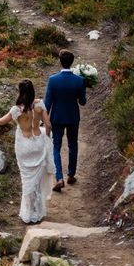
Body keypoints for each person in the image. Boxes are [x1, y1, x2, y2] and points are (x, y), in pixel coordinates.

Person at [0, 78, 54, 223]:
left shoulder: (17, 109)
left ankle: (28, 214)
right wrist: (47, 139)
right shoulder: (39, 104)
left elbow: (0, 121)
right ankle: (37, 211)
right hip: (38, 143)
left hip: (24, 146)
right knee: (36, 180)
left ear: (20, 92)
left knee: (26, 179)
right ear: (32, 90)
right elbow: (48, 124)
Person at [44, 49, 86, 191]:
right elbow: (83, 102)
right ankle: (71, 174)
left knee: (56, 146)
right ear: (72, 63)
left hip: (57, 117)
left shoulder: (53, 80)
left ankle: (59, 178)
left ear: (60, 62)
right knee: (73, 145)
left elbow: (48, 103)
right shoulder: (79, 81)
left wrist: (44, 120)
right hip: (73, 116)